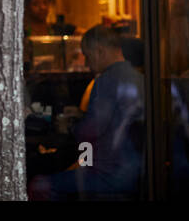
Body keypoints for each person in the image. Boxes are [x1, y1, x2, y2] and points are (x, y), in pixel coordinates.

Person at [32, 24, 144, 200]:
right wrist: (82, 115)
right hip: (136, 171)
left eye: (87, 55)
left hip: (110, 176)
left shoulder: (105, 81)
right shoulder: (139, 78)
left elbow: (91, 132)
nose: (86, 62)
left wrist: (71, 127)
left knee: (39, 185)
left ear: (100, 51)